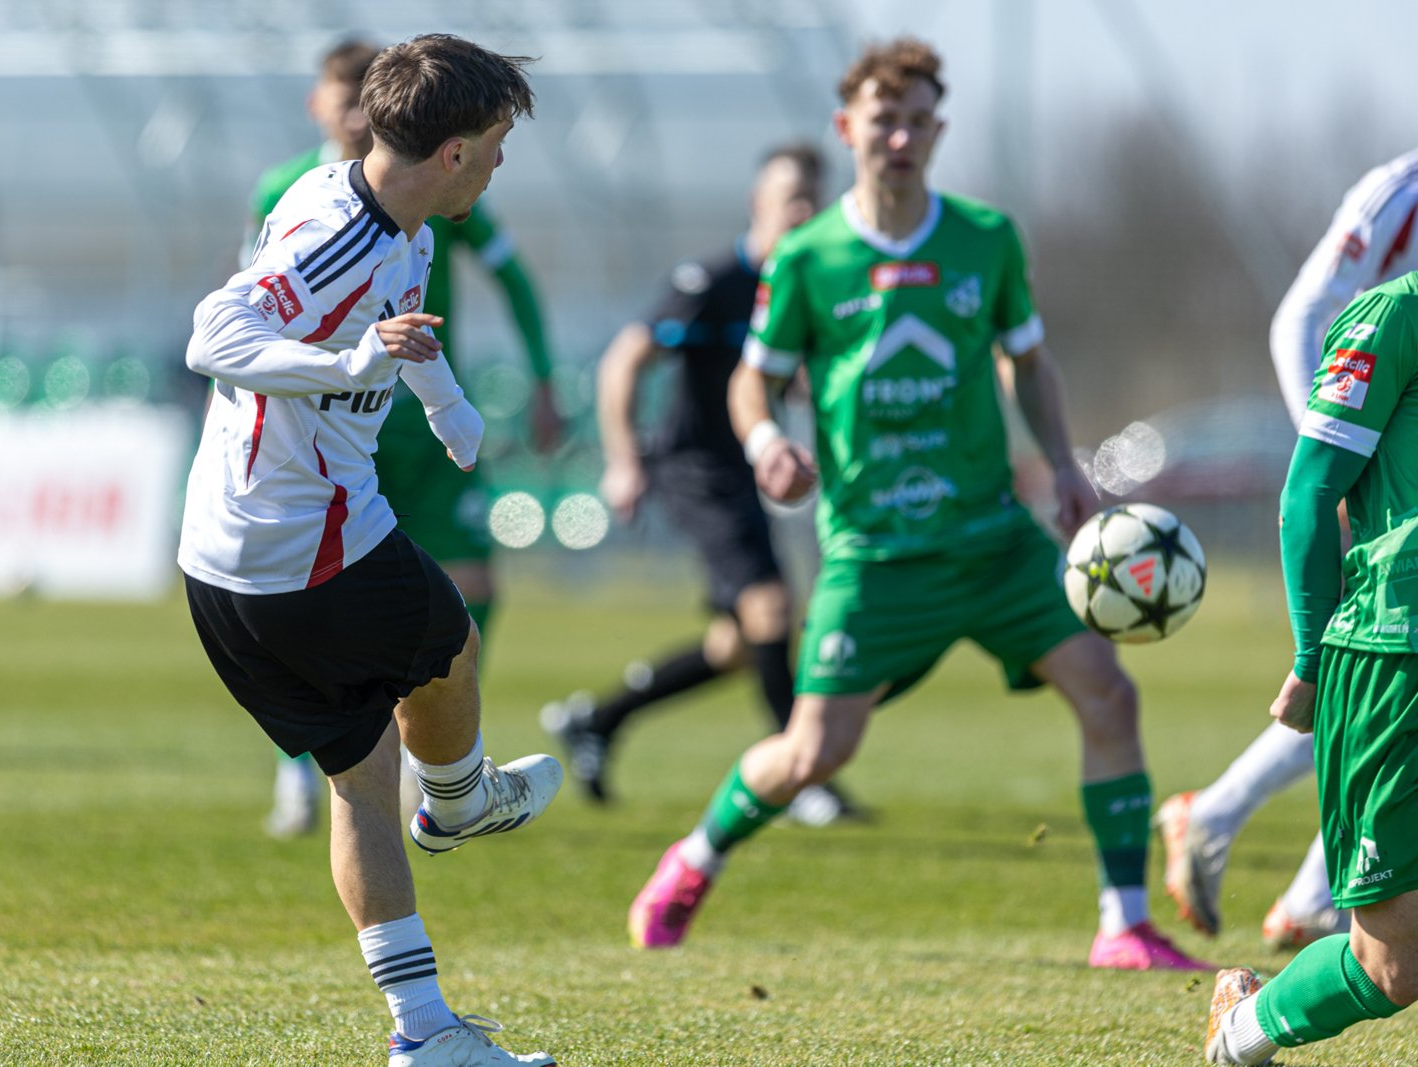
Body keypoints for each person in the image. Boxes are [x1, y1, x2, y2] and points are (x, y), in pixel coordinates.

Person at [626, 37, 1206, 971]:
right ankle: (694, 858)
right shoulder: (811, 256)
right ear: (846, 127)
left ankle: (1124, 923)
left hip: (993, 541)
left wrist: (1060, 460)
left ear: (938, 129)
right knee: (813, 752)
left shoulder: (984, 235)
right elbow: (753, 381)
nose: (899, 136)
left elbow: (1027, 356)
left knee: (1108, 692)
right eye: (882, 119)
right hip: (874, 555)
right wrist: (769, 439)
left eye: (918, 119)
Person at [179, 35, 561, 1066]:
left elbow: (400, 325)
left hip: (219, 565)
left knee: (358, 777)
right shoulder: (338, 235)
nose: (496, 164)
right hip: (305, 546)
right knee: (452, 642)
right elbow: (214, 334)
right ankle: (465, 798)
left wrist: (446, 403)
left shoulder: (402, 223)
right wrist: (341, 360)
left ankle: (425, 1032)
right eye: (492, 145)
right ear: (449, 151)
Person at [249, 37, 563, 839]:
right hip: (332, 435)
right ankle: (310, 769)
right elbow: (240, 313)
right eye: (342, 93)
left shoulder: (441, 192)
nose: (355, 109)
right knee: (322, 611)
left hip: (420, 434)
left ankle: (442, 767)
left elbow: (514, 278)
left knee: (466, 595)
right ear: (318, 104)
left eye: (366, 91)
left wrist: (539, 380)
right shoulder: (294, 193)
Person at [538, 144, 856, 825]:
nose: (804, 211)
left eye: (813, 198)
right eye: (790, 197)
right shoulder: (713, 279)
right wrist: (624, 459)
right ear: (758, 205)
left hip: (745, 470)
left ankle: (597, 719)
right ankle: (801, 776)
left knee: (737, 644)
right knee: (771, 606)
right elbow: (626, 358)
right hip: (694, 469)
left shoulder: (801, 284)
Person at [1157, 148, 1418, 949]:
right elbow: (1302, 315)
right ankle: (1279, 865)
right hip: (1370, 422)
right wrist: (1336, 459)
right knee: (1373, 661)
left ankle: (1293, 877)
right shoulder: (1399, 190)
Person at [1200, 272, 1418, 1063]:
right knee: (1390, 964)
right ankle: (1238, 1034)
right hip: (1397, 656)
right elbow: (1308, 491)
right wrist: (1312, 654)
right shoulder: (1394, 315)